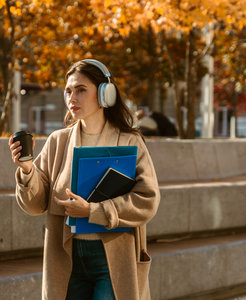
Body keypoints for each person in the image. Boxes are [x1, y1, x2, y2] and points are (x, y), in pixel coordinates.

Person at [9, 59, 160, 300]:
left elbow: (147, 200)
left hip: (112, 259)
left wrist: (92, 210)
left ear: (105, 94)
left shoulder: (130, 141)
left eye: (81, 90)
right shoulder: (57, 141)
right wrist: (27, 170)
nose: (72, 98)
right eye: (68, 91)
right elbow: (34, 205)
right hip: (67, 258)